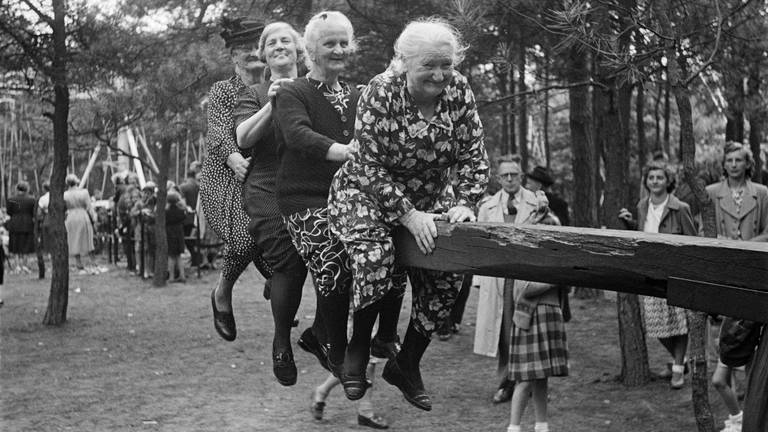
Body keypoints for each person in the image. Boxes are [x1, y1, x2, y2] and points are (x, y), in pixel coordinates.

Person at [327, 18, 490, 410]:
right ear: (404, 61)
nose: (439, 74)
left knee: (450, 268)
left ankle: (407, 362)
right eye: (429, 65)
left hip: (431, 196)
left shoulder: (460, 90)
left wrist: (466, 201)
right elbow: (367, 164)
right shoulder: (381, 92)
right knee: (375, 257)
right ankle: (358, 350)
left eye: (446, 65)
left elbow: (473, 154)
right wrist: (408, 215)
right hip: (367, 192)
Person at [272, 10, 360, 390]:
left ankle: (318, 333)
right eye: (329, 43)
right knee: (333, 255)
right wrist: (339, 150)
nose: (338, 49)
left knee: (372, 257)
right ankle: (334, 346)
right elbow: (296, 134)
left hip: (349, 199)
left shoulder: (358, 94)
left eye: (344, 42)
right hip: (304, 199)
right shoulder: (294, 91)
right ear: (310, 50)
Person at [232, 20, 309, 386]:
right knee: (291, 262)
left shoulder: (316, 88)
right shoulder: (254, 93)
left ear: (298, 50)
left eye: (286, 41)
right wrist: (273, 102)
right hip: (267, 188)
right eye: (272, 42)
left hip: (309, 186)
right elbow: (243, 138)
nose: (279, 46)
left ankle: (321, 333)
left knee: (327, 254)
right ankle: (282, 342)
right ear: (264, 53)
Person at [199, 17, 274, 342]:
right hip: (224, 177)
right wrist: (233, 158)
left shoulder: (274, 86)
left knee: (279, 239)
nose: (250, 54)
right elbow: (216, 128)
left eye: (255, 46)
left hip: (267, 177)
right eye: (242, 49)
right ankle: (222, 292)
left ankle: (279, 283)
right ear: (232, 56)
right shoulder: (223, 90)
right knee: (247, 237)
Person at [705, 142, 768, 432]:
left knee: (749, 333)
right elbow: (704, 231)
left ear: (747, 163)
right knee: (724, 332)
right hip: (722, 267)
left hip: (755, 268)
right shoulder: (711, 194)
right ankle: (737, 414)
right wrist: (726, 246)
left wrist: (746, 247)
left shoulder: (762, 193)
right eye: (729, 159)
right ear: (724, 164)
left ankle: (749, 406)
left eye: (739, 160)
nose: (733, 164)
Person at [618, 160, 697, 389]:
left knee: (678, 323)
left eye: (659, 177)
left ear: (668, 181)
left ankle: (678, 369)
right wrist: (630, 223)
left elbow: (692, 240)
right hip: (650, 272)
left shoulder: (680, 208)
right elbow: (646, 231)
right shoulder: (642, 205)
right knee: (656, 326)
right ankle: (681, 361)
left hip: (674, 273)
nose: (655, 181)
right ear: (646, 181)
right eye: (651, 178)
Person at [474, 156, 546, 404]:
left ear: (522, 176)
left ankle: (528, 381)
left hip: (527, 277)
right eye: (504, 175)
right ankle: (507, 383)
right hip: (499, 279)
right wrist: (479, 280)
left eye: (514, 175)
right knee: (504, 333)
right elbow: (481, 246)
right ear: (498, 178)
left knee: (526, 328)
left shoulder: (537, 202)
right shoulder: (488, 206)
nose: (509, 179)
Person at [505, 214, 569, 432]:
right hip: (530, 320)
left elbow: (567, 287)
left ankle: (542, 426)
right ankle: (514, 427)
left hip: (550, 318)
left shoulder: (557, 259)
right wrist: (554, 278)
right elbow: (523, 289)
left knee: (542, 378)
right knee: (525, 379)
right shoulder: (526, 257)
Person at [63, 174, 95, 272]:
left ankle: (78, 261)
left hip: (71, 216)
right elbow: (89, 207)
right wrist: (93, 218)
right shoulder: (84, 193)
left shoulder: (65, 195)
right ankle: (92, 260)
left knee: (73, 238)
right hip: (82, 215)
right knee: (87, 237)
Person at [6, 181, 37, 274]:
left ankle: (17, 266)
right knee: (26, 245)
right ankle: (25, 265)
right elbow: (33, 213)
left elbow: (8, 212)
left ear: (17, 188)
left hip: (15, 224)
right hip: (27, 224)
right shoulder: (32, 200)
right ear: (27, 189)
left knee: (15, 245)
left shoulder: (11, 199)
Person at [179, 162, 201, 267]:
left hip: (187, 217)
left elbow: (182, 202)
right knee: (195, 239)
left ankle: (195, 259)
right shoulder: (199, 185)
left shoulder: (183, 187)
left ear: (186, 176)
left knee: (188, 239)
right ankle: (196, 259)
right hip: (198, 217)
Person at [165, 190, 187, 282]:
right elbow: (184, 217)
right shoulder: (181, 211)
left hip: (170, 232)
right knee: (178, 256)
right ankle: (182, 275)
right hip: (179, 232)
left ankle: (171, 276)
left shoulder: (166, 212)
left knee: (171, 256)